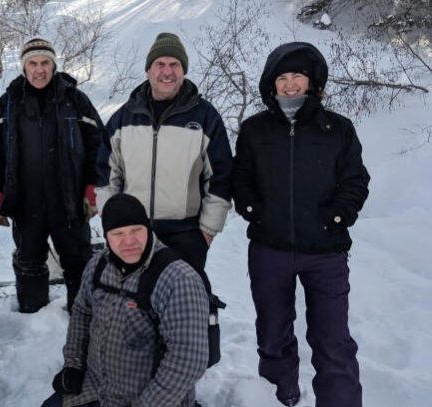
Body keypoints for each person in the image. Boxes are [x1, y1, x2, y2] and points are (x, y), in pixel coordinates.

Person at [232, 42, 370, 407]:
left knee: (333, 342)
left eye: (298, 76)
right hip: (269, 250)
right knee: (272, 337)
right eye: (282, 77)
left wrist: (337, 216)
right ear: (271, 83)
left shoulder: (337, 129)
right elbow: (240, 178)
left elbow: (355, 181)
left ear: (312, 82)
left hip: (325, 253)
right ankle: (280, 400)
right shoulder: (254, 130)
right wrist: (252, 208)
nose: (290, 84)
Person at [43, 193, 208, 407]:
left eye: (136, 230)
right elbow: (82, 314)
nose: (129, 241)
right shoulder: (97, 266)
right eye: (118, 233)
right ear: (106, 236)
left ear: (148, 229)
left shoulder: (178, 279)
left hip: (149, 399)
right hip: (95, 388)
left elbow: (187, 359)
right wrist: (73, 365)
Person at [0, 37, 104, 313]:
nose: (39, 70)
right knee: (29, 261)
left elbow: (99, 146)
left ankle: (83, 315)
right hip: (27, 202)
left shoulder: (75, 99)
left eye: (45, 62)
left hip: (70, 201)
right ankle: (31, 316)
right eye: (33, 63)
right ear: (24, 68)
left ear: (54, 65)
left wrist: (91, 192)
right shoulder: (8, 103)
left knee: (78, 260)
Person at [96, 32, 232, 272]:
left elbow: (221, 177)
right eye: (160, 64)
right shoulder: (124, 118)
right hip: (133, 235)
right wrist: (113, 226)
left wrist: (207, 232)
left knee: (185, 305)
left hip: (186, 235)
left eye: (174, 64)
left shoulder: (205, 118)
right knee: (134, 304)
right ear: (148, 71)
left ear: (183, 70)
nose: (167, 72)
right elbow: (107, 176)